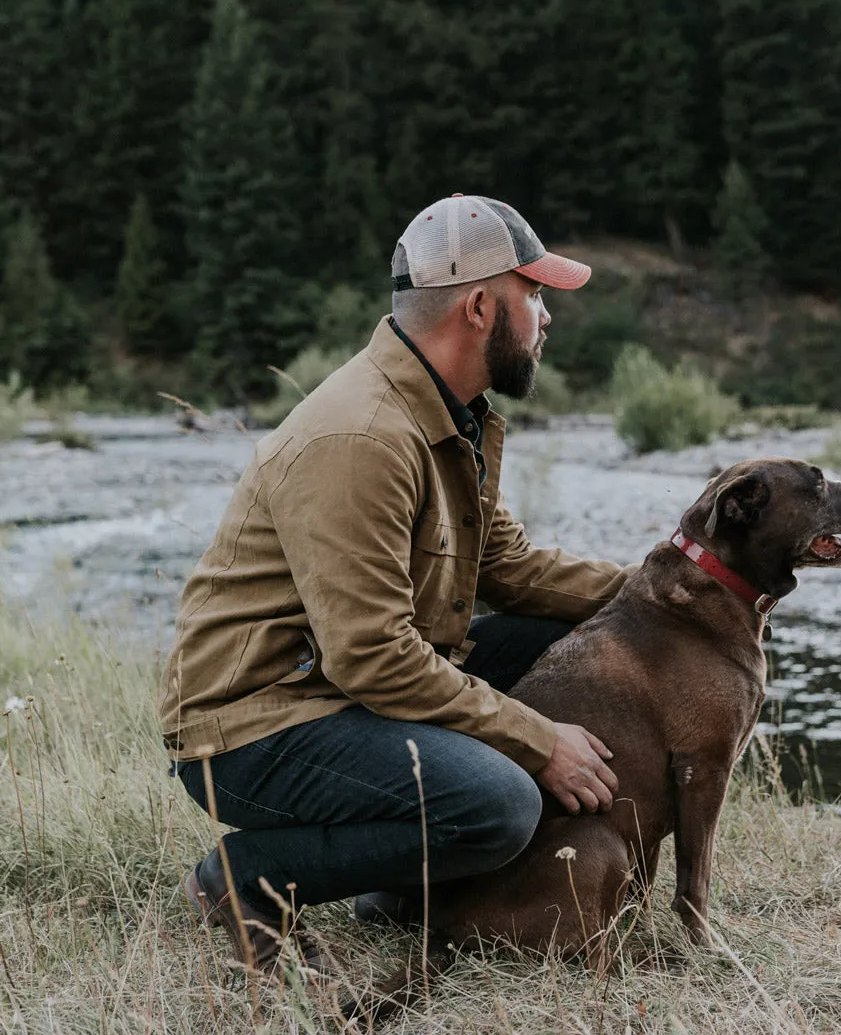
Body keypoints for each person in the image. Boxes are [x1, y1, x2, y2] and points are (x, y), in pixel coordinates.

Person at [162, 193, 634, 973]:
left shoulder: (453, 411)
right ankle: (244, 877)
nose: (546, 317)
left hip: (339, 690)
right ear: (481, 307)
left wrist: (675, 586)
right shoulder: (362, 436)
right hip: (254, 727)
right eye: (536, 294)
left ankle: (399, 883)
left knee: (577, 642)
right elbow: (371, 657)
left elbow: (506, 570)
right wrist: (538, 739)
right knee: (499, 804)